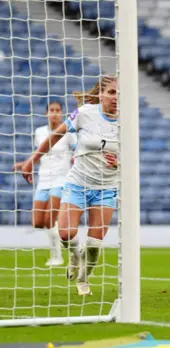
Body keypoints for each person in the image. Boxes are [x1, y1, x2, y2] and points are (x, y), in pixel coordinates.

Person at [20, 75, 119, 296]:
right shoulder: (84, 113)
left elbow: (132, 157)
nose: (116, 97)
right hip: (78, 183)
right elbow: (55, 136)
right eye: (112, 92)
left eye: (119, 93)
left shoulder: (127, 122)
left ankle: (83, 280)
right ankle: (74, 256)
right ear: (101, 94)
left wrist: (119, 162)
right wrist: (30, 161)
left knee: (94, 244)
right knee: (65, 233)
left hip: (106, 187)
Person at [13, 101, 76, 267]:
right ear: (46, 113)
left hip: (61, 179)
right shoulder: (40, 132)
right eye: (52, 110)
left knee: (51, 219)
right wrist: (25, 163)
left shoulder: (68, 132)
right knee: (38, 222)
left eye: (58, 110)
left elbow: (76, 152)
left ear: (62, 113)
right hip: (43, 180)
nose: (54, 113)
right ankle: (73, 245)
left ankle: (58, 256)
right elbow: (39, 152)